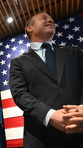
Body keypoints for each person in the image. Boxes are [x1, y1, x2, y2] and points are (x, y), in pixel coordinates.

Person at [9, 12, 83, 148]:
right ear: (29, 28)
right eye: (44, 18)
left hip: (79, 133)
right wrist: (50, 115)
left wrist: (81, 110)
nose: (50, 20)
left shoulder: (74, 52)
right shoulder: (18, 62)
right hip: (39, 138)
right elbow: (19, 94)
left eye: (51, 19)